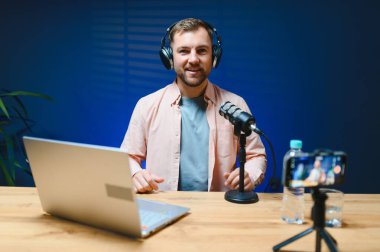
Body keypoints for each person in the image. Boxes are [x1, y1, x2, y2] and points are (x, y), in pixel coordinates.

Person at [121, 18, 266, 193]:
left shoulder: (235, 105)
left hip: (220, 211)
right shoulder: (147, 105)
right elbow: (127, 157)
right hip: (163, 208)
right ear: (169, 57)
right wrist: (135, 174)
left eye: (202, 50)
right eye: (183, 51)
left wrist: (249, 174)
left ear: (214, 55)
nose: (193, 59)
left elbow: (256, 155)